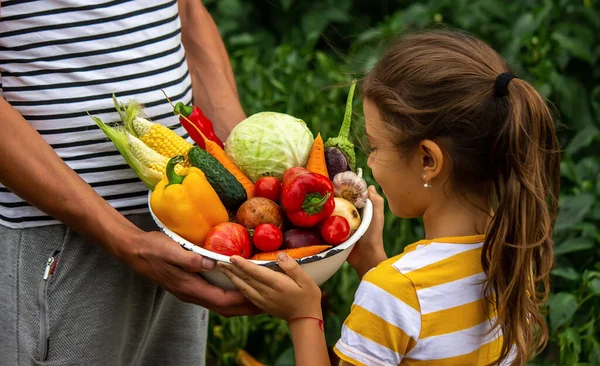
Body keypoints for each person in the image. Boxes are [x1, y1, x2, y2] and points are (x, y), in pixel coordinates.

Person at [219, 30, 560, 366]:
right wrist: (374, 262)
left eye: (375, 146)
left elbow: (403, 307)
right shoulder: (512, 260)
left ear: (428, 161)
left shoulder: (395, 292)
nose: (368, 161)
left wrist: (303, 316)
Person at [0, 1, 257, 365]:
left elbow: (188, 13)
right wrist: (126, 240)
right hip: (63, 240)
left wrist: (242, 170)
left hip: (189, 225)